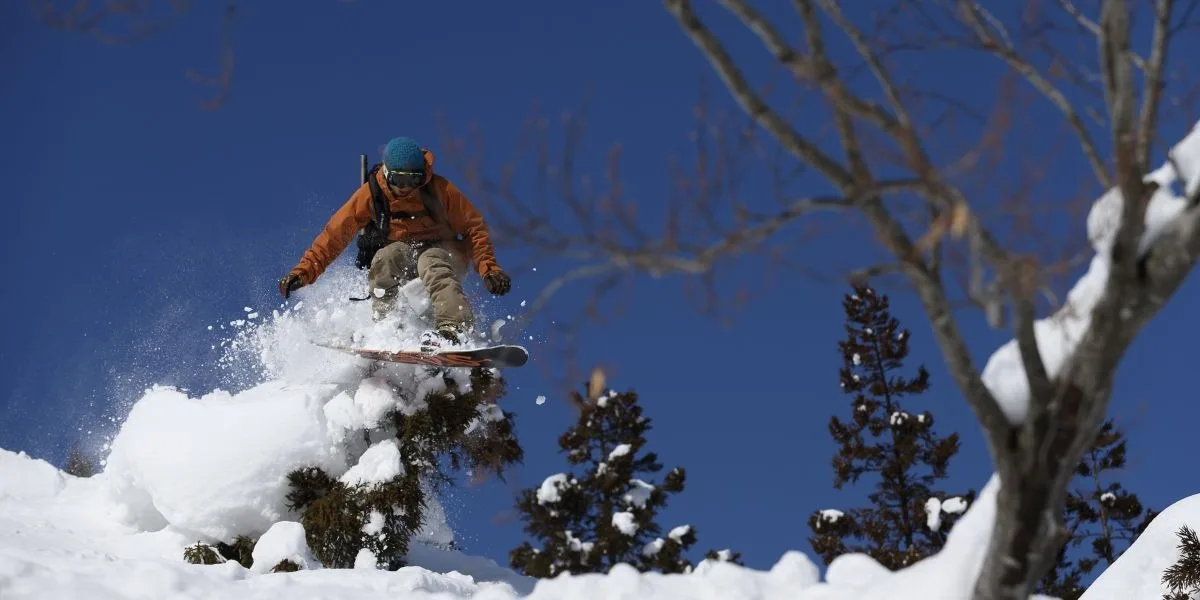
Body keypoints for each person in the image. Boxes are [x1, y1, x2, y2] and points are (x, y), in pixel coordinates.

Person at [277, 136, 511, 350]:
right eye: (400, 179)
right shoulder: (371, 194)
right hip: (404, 251)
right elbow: (335, 234)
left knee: (432, 262)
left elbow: (474, 227)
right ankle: (387, 326)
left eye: (414, 179)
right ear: (387, 174)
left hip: (445, 251)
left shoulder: (440, 190)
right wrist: (305, 270)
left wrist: (489, 269)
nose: (406, 187)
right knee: (385, 259)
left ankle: (454, 329)